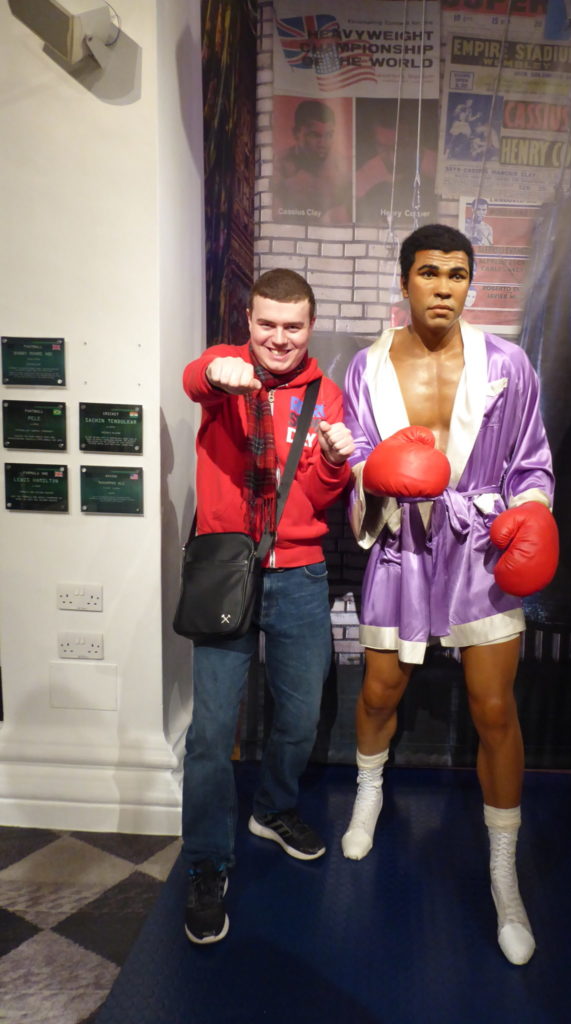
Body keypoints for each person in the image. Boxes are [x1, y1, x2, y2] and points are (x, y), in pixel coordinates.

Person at [341, 224, 558, 965]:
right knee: (379, 691)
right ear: (404, 280)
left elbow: (531, 461)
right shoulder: (367, 367)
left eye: (457, 274)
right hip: (400, 542)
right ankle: (370, 789)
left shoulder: (508, 363)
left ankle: (504, 872)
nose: (443, 287)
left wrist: (533, 515)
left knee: (495, 708)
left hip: (480, 546)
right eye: (429, 272)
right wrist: (371, 475)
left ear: (470, 282)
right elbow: (356, 454)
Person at [181, 268, 354, 944]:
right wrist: (218, 372)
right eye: (267, 325)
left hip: (301, 575)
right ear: (249, 323)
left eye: (293, 327)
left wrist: (336, 462)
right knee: (210, 731)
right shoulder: (225, 371)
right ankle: (206, 863)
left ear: (310, 328)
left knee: (301, 715)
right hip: (227, 571)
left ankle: (273, 808)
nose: (279, 339)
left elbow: (320, 496)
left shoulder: (325, 395)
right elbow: (196, 377)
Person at [273, 99, 350, 223]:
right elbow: (274, 216)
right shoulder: (279, 166)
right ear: (296, 133)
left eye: (328, 135)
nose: (323, 144)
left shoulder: (341, 169)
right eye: (314, 135)